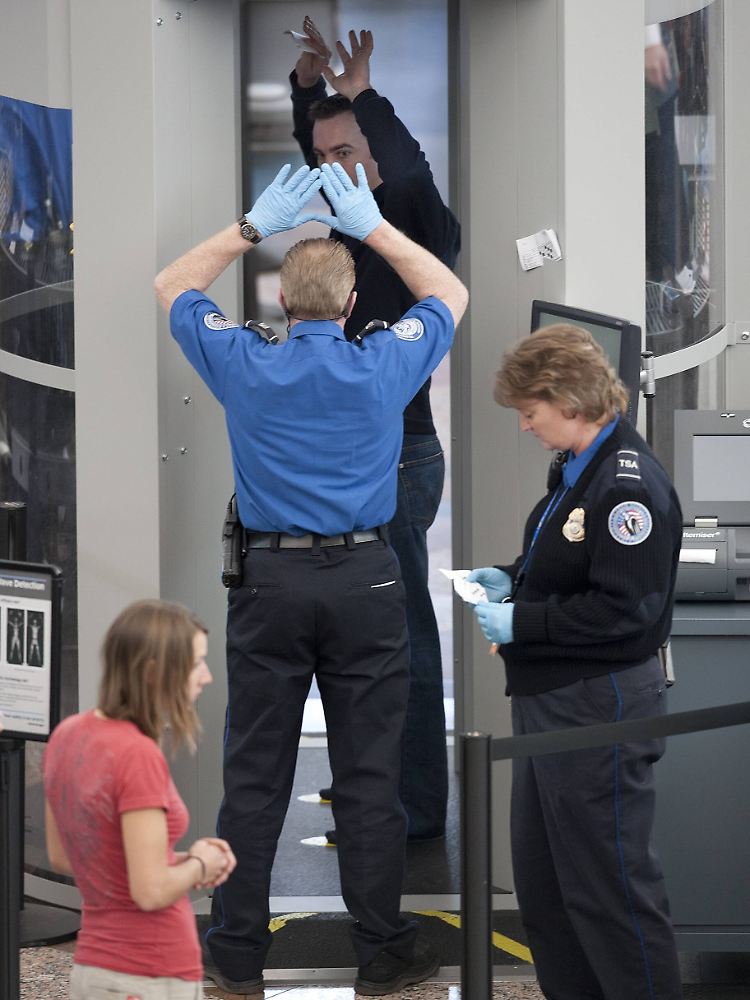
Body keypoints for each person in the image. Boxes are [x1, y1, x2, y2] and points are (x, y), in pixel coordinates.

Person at [154, 161, 467, 994]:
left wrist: (252, 227)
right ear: (354, 306)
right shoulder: (381, 366)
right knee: (370, 778)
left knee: (256, 777)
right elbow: (451, 294)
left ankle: (236, 958)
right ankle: (382, 954)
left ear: (282, 305)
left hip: (270, 585)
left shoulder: (245, 363)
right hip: (366, 582)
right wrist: (372, 228)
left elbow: (171, 284)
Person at [468, 324, 683, 1000]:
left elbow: (624, 611)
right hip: (552, 700)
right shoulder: (576, 466)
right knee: (547, 888)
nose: (526, 426)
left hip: (599, 704)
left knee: (608, 891)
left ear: (566, 399)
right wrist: (513, 576)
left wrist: (520, 621)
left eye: (530, 413)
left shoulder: (627, 489)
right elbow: (570, 564)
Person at [290, 19, 461, 841]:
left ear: (377, 145)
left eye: (351, 148)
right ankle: (377, 785)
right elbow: (326, 148)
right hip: (365, 460)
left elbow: (403, 168)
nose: (338, 167)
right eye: (326, 158)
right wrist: (307, 89)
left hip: (400, 462)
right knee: (361, 632)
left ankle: (419, 807)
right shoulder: (348, 218)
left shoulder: (409, 220)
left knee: (402, 638)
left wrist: (362, 94)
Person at [44, 599, 236, 1000]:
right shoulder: (137, 754)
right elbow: (149, 891)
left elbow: (66, 857)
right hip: (148, 973)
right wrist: (202, 861)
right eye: (196, 662)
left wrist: (180, 862)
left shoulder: (68, 734)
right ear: (153, 671)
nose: (207, 677)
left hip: (93, 971)